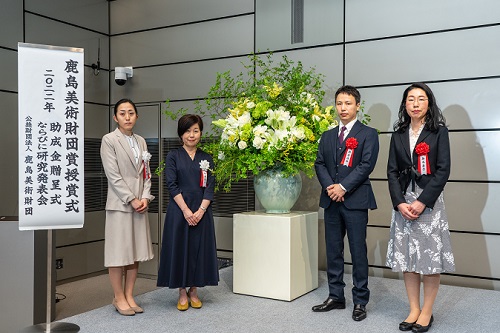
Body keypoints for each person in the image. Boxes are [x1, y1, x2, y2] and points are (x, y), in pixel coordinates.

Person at [386, 83, 455, 332]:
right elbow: (392, 172)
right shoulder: (398, 134)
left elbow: (443, 170)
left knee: (429, 258)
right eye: (410, 99)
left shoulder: (439, 132)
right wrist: (399, 202)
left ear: (429, 103)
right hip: (404, 201)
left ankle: (427, 311)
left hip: (429, 202)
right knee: (407, 258)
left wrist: (422, 201)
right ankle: (413, 308)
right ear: (405, 104)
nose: (415, 103)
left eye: (421, 99)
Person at [313, 85, 379, 321]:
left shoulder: (368, 134)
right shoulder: (327, 135)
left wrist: (343, 187)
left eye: (348, 103)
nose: (343, 108)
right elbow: (319, 163)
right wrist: (331, 187)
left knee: (358, 251)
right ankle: (336, 296)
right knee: (333, 251)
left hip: (355, 201)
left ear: (357, 106)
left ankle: (360, 301)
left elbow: (366, 165)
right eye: (339, 103)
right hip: (331, 201)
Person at [157, 114, 219, 311]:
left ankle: (194, 290)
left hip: (202, 211)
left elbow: (210, 186)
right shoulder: (173, 156)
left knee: (198, 250)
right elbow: (171, 185)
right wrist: (186, 211)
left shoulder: (207, 158)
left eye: (195, 131)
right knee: (180, 249)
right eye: (187, 131)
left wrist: (200, 211)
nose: (191, 135)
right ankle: (182, 291)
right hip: (179, 211)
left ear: (200, 133)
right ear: (180, 134)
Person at [100, 98, 154, 316]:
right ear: (115, 117)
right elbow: (112, 175)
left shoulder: (141, 141)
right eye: (122, 113)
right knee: (118, 253)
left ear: (137, 116)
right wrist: (131, 198)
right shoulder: (109, 140)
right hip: (120, 204)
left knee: (134, 253)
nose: (127, 117)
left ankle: (130, 295)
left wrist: (145, 197)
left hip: (139, 204)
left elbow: (146, 173)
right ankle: (118, 297)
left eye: (131, 113)